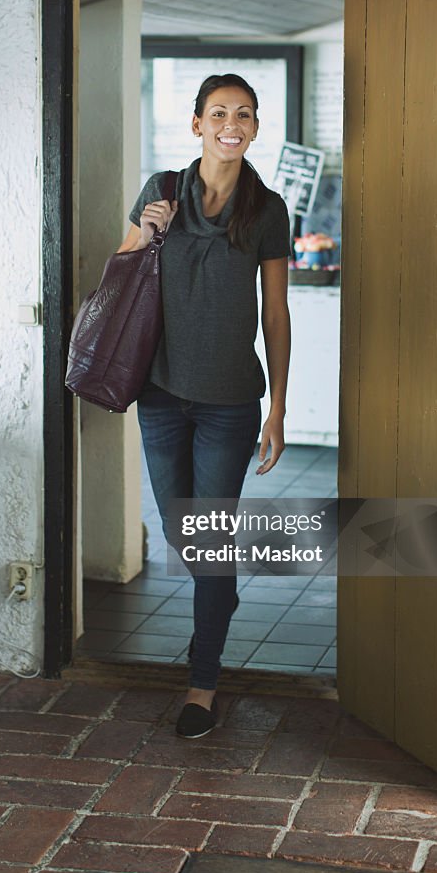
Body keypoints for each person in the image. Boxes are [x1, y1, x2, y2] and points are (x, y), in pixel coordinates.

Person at [117, 73, 291, 738]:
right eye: (219, 112)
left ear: (253, 127)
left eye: (243, 114)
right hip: (159, 397)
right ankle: (219, 599)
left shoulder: (267, 209)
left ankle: (203, 681)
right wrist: (143, 233)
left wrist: (278, 408)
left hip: (229, 404)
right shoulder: (160, 191)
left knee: (209, 544)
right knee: (181, 538)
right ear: (196, 124)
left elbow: (276, 312)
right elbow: (120, 277)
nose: (231, 123)